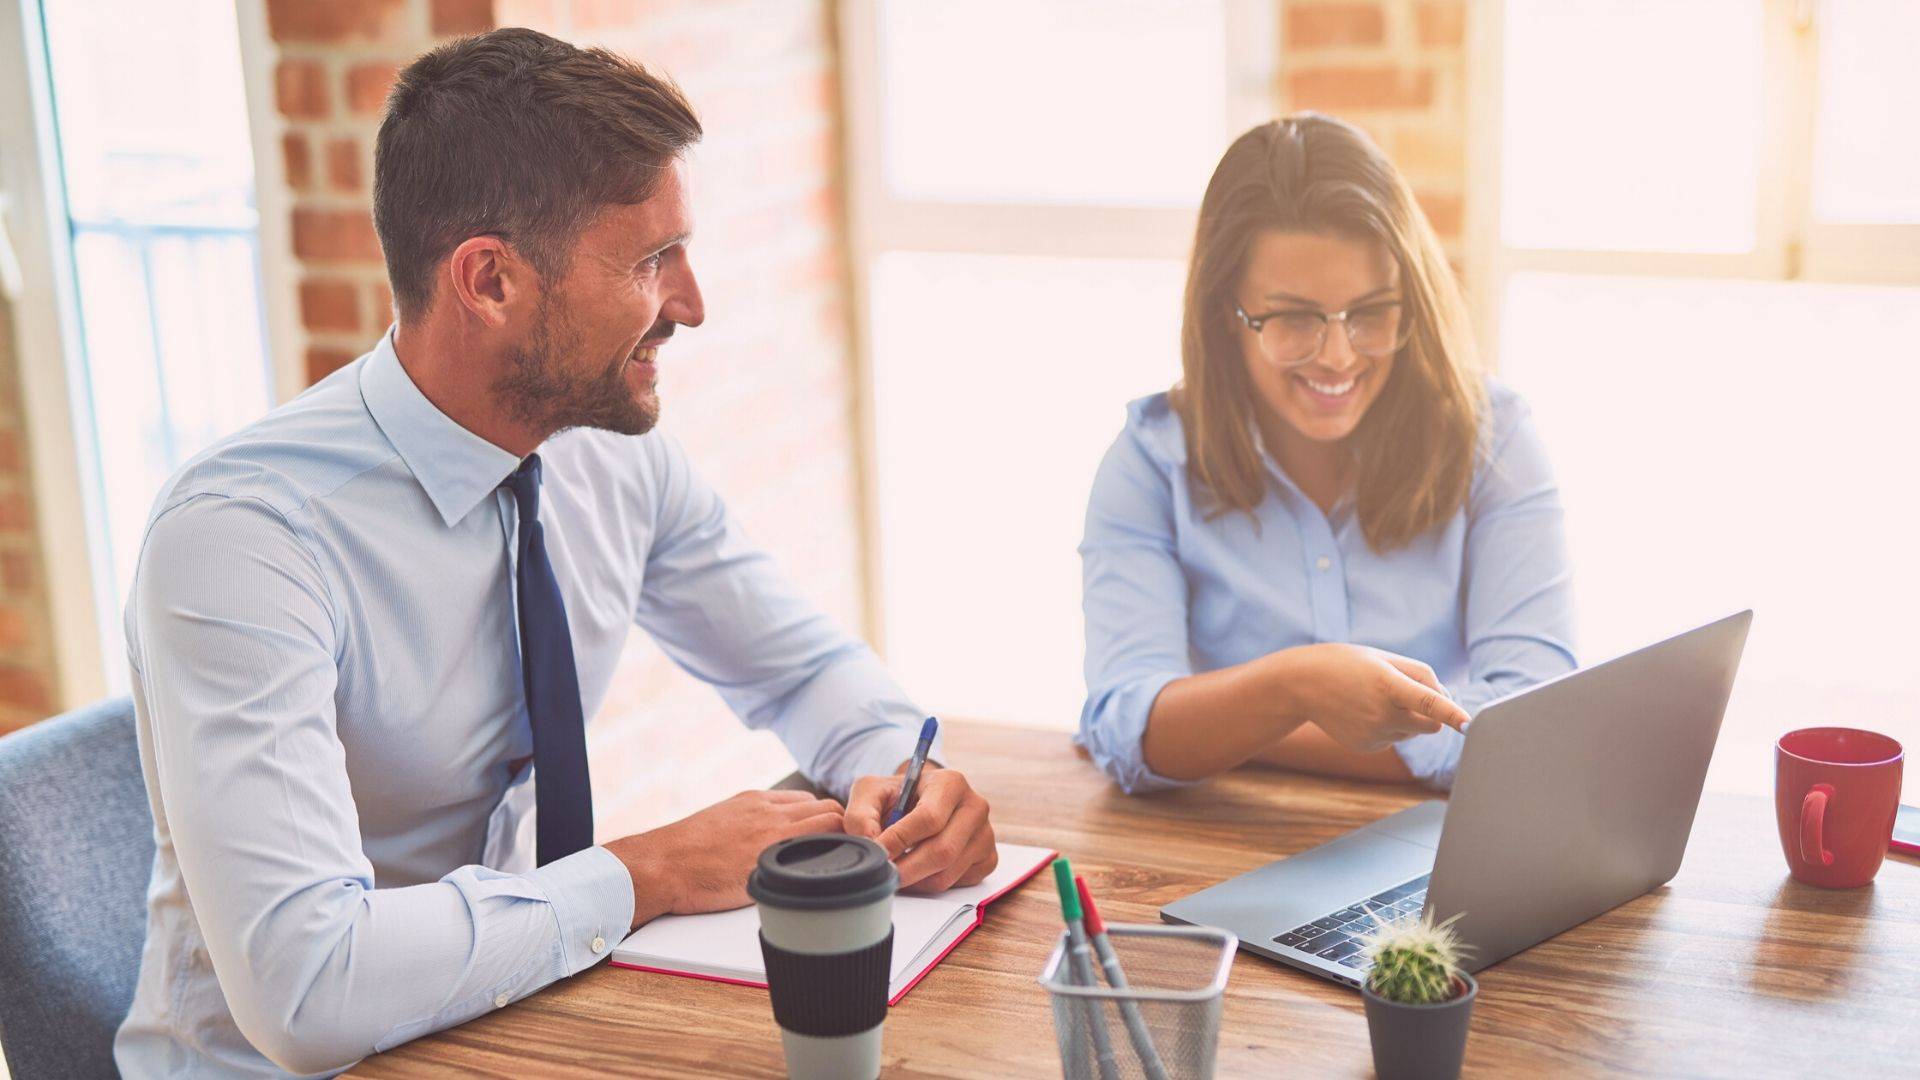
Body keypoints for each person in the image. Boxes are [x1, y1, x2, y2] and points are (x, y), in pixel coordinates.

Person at [114, 29, 994, 1077]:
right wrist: (650, 870)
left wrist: (898, 771)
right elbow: (309, 990)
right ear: (489, 280)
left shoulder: (606, 462)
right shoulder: (246, 541)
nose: (693, 304)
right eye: (650, 261)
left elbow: (803, 670)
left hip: (501, 1029)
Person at [1077, 114, 1575, 796]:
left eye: (1371, 311)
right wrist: (1294, 687)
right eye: (1294, 318)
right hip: (1217, 853)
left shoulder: (1495, 440)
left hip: (1434, 860)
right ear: (1229, 314)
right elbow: (1124, 724)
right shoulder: (1149, 464)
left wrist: (1238, 731)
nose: (1339, 356)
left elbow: (1533, 725)